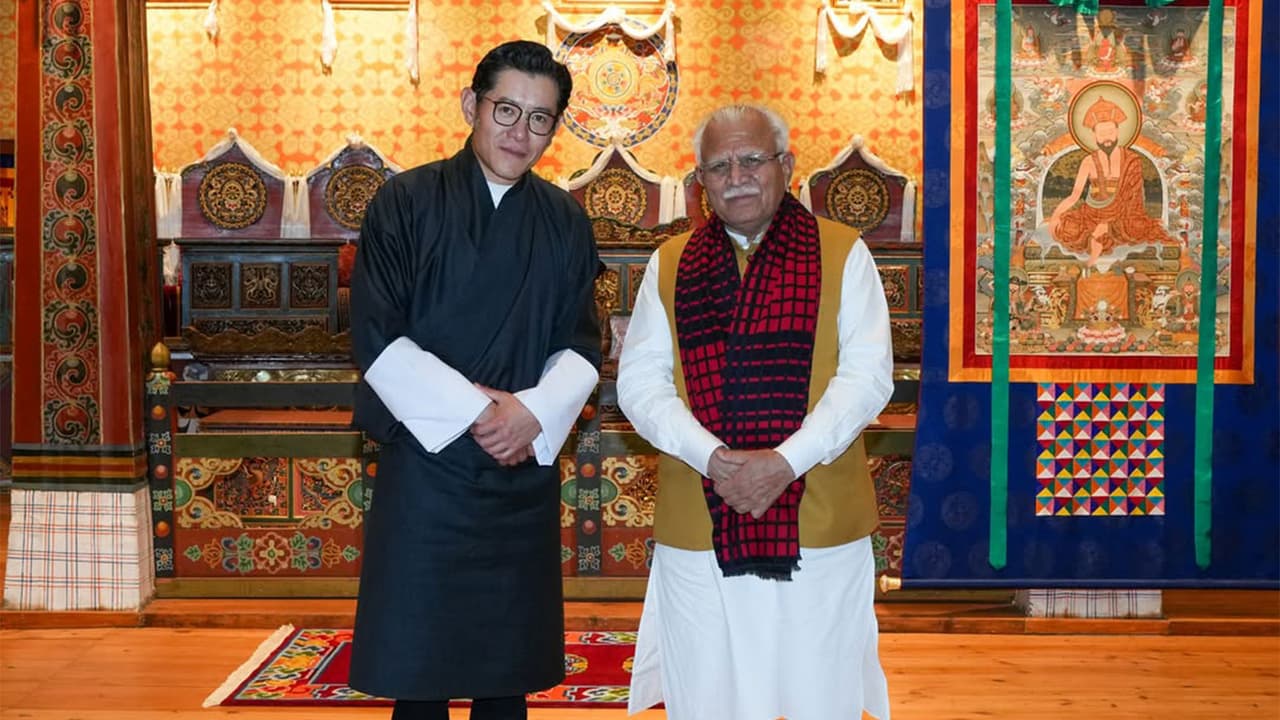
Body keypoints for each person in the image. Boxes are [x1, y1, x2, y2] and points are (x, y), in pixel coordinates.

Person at [346, 40, 602, 720]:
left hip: (519, 465)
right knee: (421, 670)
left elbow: (581, 342)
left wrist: (531, 415)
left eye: (541, 119)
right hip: (426, 464)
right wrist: (481, 413)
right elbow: (377, 334)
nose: (521, 133)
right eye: (507, 110)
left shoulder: (564, 221)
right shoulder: (404, 202)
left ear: (556, 127)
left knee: (503, 671)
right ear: (472, 105)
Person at [618, 104, 895, 720]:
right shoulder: (670, 265)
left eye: (751, 159)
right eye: (718, 166)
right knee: (707, 692)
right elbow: (639, 383)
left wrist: (785, 462)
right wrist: (711, 459)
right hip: (699, 514)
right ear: (700, 184)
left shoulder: (844, 253)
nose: (736, 176)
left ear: (786, 166)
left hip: (818, 517)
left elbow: (867, 377)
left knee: (819, 693)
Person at [1046, 96, 1175, 267]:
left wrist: (1110, 224)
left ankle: (1103, 233)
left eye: (1110, 132)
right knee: (1070, 228)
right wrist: (1055, 216)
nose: (1107, 137)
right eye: (1102, 133)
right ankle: (1099, 234)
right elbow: (1074, 195)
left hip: (1123, 215)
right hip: (1092, 212)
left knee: (1136, 227)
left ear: (1118, 132)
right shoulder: (1088, 161)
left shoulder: (1131, 160)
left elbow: (1135, 202)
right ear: (1094, 135)